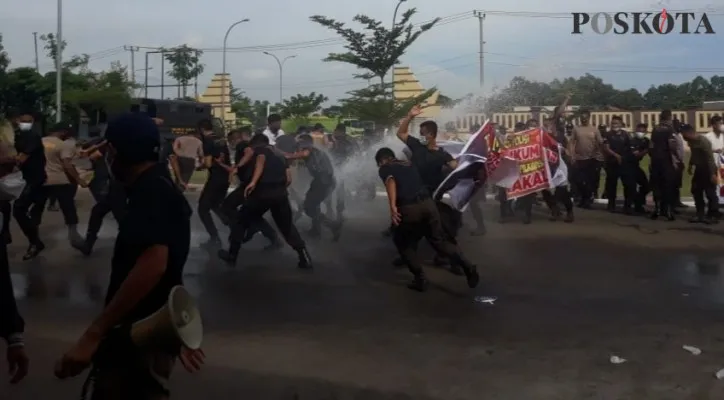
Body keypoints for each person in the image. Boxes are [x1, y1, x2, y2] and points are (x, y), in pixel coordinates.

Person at [54, 113, 204, 399]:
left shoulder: (151, 192)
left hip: (136, 335)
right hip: (152, 329)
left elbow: (155, 263)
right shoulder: (159, 186)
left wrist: (93, 334)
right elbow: (170, 263)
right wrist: (173, 324)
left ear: (113, 151)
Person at [375, 147, 479, 292]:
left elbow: (391, 181)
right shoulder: (409, 164)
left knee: (402, 242)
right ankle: (467, 265)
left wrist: (392, 207)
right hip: (428, 205)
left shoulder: (385, 168)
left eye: (379, 163)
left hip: (409, 208)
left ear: (383, 160)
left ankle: (420, 278)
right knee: (439, 241)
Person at [218, 133, 311, 268]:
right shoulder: (279, 155)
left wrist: (253, 182)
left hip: (261, 192)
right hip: (280, 194)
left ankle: (232, 256)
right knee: (287, 227)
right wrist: (279, 190)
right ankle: (304, 258)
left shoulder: (259, 150)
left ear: (256, 143)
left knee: (241, 221)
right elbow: (289, 179)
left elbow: (260, 160)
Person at [220, 128, 280, 249]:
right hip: (252, 184)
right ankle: (272, 237)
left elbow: (248, 152)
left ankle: (240, 229)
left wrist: (237, 167)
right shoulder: (246, 146)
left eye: (230, 141)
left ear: (233, 140)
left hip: (249, 185)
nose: (230, 145)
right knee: (252, 215)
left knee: (228, 206)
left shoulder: (242, 145)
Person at [73, 127, 128, 255]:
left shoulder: (118, 147)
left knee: (119, 216)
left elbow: (88, 154)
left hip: (118, 185)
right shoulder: (106, 146)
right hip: (114, 186)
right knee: (100, 212)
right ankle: (89, 244)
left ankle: (131, 245)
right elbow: (85, 154)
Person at [285, 134, 341, 240]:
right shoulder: (314, 151)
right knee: (313, 205)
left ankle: (333, 225)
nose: (298, 146)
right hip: (321, 182)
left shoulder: (310, 150)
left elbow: (301, 154)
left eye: (299, 143)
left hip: (324, 182)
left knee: (309, 207)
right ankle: (316, 229)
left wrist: (284, 155)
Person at [38, 122, 87, 245]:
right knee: (68, 207)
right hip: (60, 180)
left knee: (37, 208)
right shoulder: (63, 145)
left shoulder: (39, 142)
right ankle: (74, 236)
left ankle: (34, 237)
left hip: (41, 180)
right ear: (63, 132)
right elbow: (67, 165)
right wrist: (78, 179)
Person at [12, 110, 47, 260]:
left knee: (19, 209)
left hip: (35, 179)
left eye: (27, 121)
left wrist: (8, 160)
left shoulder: (33, 136)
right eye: (22, 120)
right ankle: (35, 241)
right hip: (26, 178)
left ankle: (35, 242)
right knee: (27, 213)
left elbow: (22, 158)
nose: (24, 123)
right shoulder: (19, 135)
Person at [197, 129, 234, 245]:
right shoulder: (221, 141)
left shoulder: (208, 141)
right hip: (225, 179)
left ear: (202, 130)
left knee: (202, 209)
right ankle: (235, 226)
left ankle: (215, 237)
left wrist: (200, 166)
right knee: (215, 205)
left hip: (215, 179)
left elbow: (208, 163)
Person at [683, 124, 719, 224]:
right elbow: (694, 154)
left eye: (684, 134)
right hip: (699, 169)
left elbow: (709, 159)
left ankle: (713, 215)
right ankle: (700, 214)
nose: (683, 137)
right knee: (695, 190)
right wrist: (690, 165)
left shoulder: (703, 141)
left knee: (710, 193)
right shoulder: (691, 142)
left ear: (689, 133)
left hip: (708, 169)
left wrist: (712, 174)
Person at [568, 110, 604, 208]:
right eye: (581, 118)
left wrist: (600, 155)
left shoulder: (594, 129)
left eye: (585, 117)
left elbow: (600, 143)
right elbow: (571, 142)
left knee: (590, 180)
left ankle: (587, 200)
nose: (583, 119)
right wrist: (572, 155)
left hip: (592, 158)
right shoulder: (576, 129)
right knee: (579, 180)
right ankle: (583, 198)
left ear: (588, 117)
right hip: (579, 158)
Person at [602, 115, 635, 214]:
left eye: (616, 123)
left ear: (621, 124)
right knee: (611, 184)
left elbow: (631, 148)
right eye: (612, 123)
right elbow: (606, 148)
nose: (614, 125)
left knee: (628, 185)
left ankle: (627, 206)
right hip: (612, 163)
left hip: (624, 164)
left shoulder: (626, 135)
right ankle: (611, 204)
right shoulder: (607, 135)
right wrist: (617, 156)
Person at [649, 110, 678, 221]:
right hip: (666, 160)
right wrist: (676, 157)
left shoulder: (655, 129)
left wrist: (653, 157)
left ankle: (656, 209)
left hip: (656, 160)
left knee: (656, 185)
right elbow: (672, 145)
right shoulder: (670, 129)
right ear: (669, 117)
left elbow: (651, 145)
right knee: (668, 186)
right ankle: (668, 211)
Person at [326, 123, 358, 222]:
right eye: (337, 131)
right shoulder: (329, 138)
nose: (338, 133)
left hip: (341, 169)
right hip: (329, 169)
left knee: (340, 191)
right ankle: (329, 210)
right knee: (329, 190)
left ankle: (339, 212)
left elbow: (354, 153)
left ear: (343, 132)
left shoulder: (347, 141)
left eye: (341, 132)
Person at [170, 126, 204, 191]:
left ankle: (174, 192)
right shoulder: (198, 141)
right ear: (195, 135)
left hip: (178, 159)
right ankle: (178, 193)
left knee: (178, 177)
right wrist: (200, 163)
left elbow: (175, 148)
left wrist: (179, 154)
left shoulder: (179, 138)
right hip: (190, 161)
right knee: (184, 179)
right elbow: (201, 154)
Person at [630, 123, 651, 214]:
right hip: (629, 166)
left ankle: (639, 204)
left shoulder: (646, 141)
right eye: (639, 131)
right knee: (632, 187)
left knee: (646, 186)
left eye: (642, 131)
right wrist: (646, 150)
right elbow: (636, 155)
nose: (640, 133)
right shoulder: (632, 141)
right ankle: (636, 206)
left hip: (635, 166)